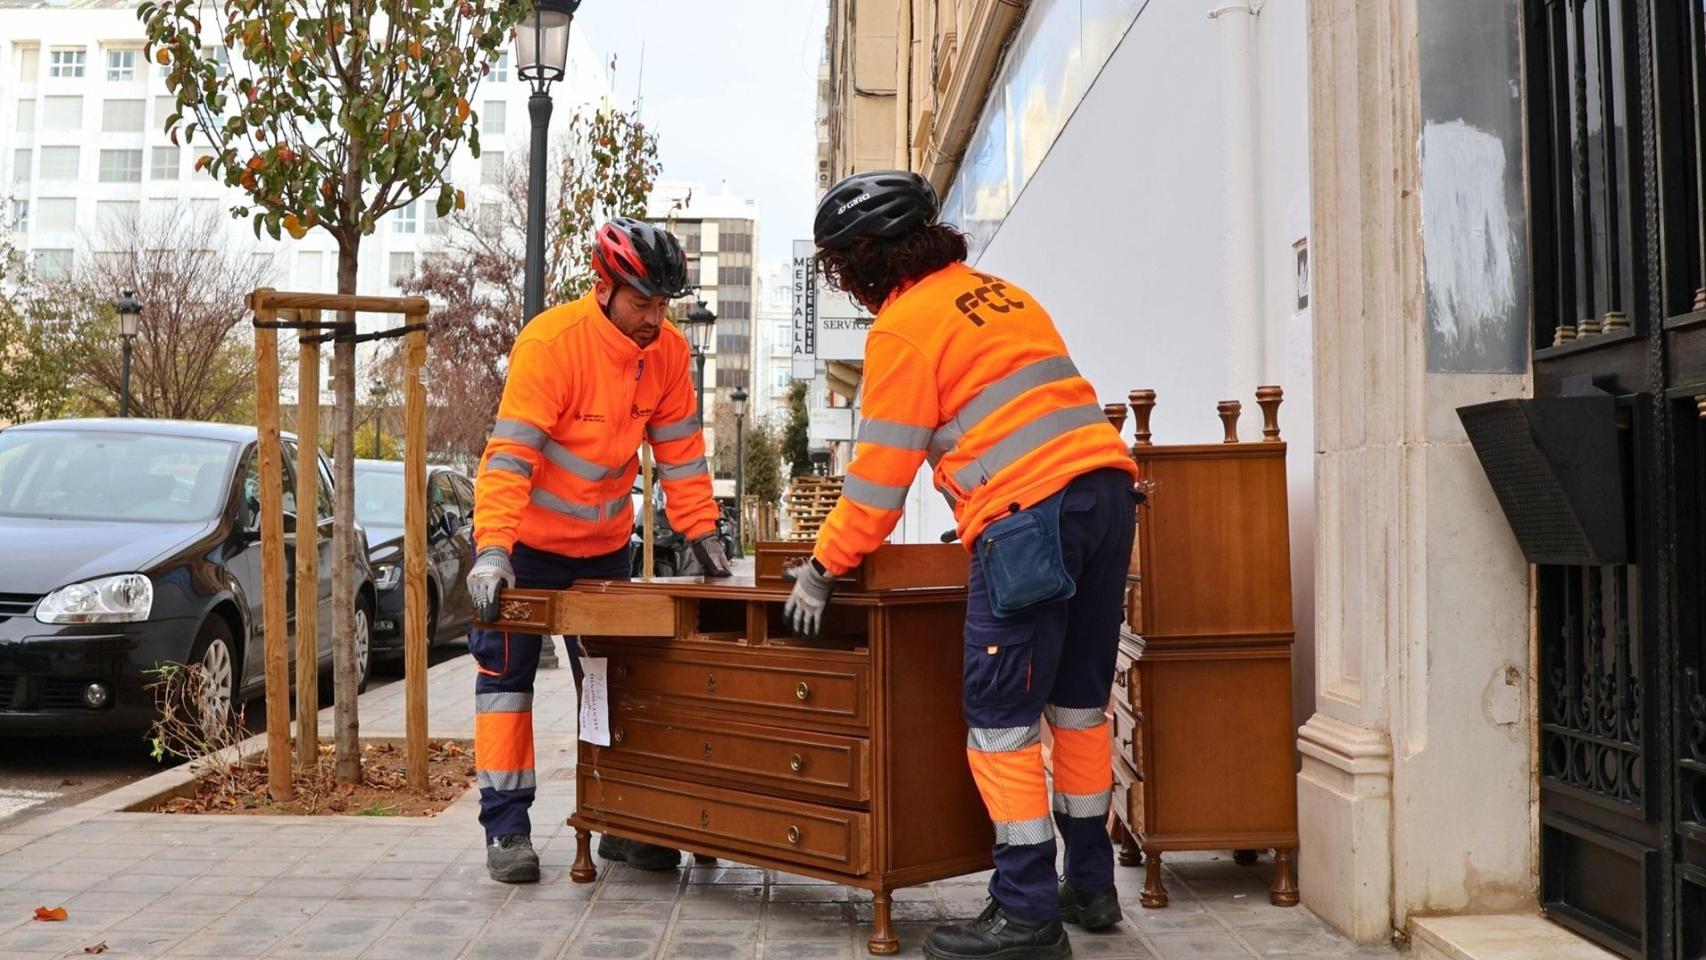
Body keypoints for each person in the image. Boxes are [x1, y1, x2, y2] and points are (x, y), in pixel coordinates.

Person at [784, 171, 1140, 960]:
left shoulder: (906, 325)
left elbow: (877, 486)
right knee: (1079, 704)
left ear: (872, 258)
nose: (845, 283)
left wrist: (820, 567)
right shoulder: (1001, 295)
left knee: (1001, 716)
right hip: (1108, 496)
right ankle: (1089, 882)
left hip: (1030, 515)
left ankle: (1025, 913)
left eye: (845, 266)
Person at [467, 217, 733, 883]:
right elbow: (510, 458)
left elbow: (680, 455)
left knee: (608, 688)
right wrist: (493, 548)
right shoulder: (552, 345)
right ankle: (507, 830)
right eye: (642, 302)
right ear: (605, 287)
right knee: (506, 684)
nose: (654, 318)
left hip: (605, 549)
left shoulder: (667, 352)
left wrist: (704, 535)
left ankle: (620, 823)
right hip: (527, 550)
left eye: (663, 304)